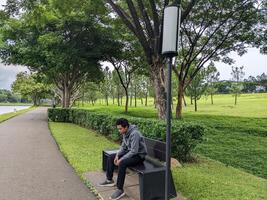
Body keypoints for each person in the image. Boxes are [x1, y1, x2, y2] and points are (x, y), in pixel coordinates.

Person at [99, 118, 147, 200]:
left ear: (126, 127)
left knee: (122, 163)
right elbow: (123, 146)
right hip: (130, 153)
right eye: (118, 128)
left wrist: (121, 159)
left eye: (120, 129)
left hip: (139, 156)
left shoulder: (135, 134)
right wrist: (117, 155)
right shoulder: (125, 133)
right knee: (111, 157)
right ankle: (109, 180)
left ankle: (120, 189)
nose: (119, 131)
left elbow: (134, 151)